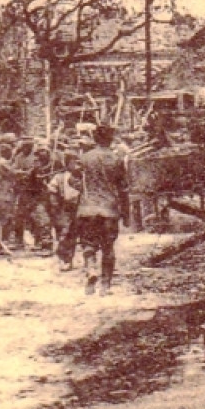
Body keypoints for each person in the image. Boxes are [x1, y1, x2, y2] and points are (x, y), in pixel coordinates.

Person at [75, 125, 128, 296]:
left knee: (88, 244)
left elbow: (73, 181)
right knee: (108, 247)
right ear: (111, 139)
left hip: (88, 208)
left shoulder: (85, 158)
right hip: (109, 209)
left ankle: (91, 269)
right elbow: (123, 188)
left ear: (94, 138)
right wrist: (126, 212)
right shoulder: (117, 159)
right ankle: (105, 286)